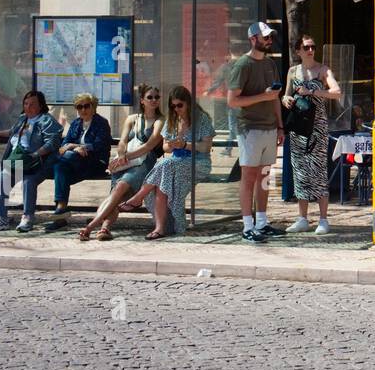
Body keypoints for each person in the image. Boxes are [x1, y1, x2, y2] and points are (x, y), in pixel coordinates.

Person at [121, 85, 214, 238]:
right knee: (160, 184)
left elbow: (205, 147)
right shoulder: (172, 120)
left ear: (188, 103)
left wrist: (185, 145)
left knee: (163, 165)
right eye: (173, 106)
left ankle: (139, 197)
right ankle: (159, 228)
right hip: (175, 162)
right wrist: (171, 145)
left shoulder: (201, 119)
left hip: (198, 163)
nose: (177, 109)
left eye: (180, 105)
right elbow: (165, 148)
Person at [78, 85, 166, 241]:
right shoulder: (132, 118)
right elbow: (122, 141)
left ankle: (90, 227)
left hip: (143, 164)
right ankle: (104, 228)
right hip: (124, 162)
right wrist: (120, 155)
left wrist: (125, 157)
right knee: (115, 196)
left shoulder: (160, 120)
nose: (154, 100)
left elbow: (149, 146)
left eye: (157, 97)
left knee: (118, 188)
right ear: (142, 100)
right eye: (150, 97)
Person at [227, 21, 285, 242]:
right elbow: (233, 101)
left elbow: (275, 98)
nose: (269, 40)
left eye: (270, 37)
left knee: (265, 177)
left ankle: (262, 222)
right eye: (265, 37)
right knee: (249, 177)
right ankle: (247, 226)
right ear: (253, 39)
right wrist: (264, 96)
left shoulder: (270, 63)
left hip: (270, 127)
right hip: (249, 128)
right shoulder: (242, 65)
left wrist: (280, 126)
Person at [283, 35, 341, 234]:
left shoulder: (323, 70)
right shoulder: (293, 71)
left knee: (318, 170)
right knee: (299, 171)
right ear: (298, 51)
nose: (310, 50)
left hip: (317, 126)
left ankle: (323, 219)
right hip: (299, 126)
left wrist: (313, 92)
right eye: (306, 47)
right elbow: (286, 94)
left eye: (313, 47)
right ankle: (302, 218)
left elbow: (336, 92)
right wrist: (287, 99)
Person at [0, 90, 63, 232]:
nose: (28, 107)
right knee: (0, 180)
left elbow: (52, 142)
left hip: (37, 163)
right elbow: (13, 131)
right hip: (18, 161)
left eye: (32, 104)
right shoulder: (22, 118)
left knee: (28, 181)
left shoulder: (46, 120)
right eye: (26, 104)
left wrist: (35, 154)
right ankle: (0, 218)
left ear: (41, 106)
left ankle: (27, 218)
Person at [45, 93, 113, 230]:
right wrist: (75, 148)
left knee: (61, 162)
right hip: (74, 163)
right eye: (79, 107)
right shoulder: (76, 123)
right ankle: (60, 211)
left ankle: (60, 212)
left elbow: (99, 145)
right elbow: (65, 144)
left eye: (86, 106)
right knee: (61, 168)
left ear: (93, 107)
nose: (83, 110)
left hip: (95, 162)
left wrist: (75, 147)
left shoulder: (102, 123)